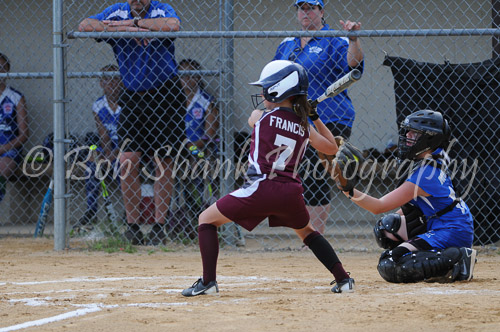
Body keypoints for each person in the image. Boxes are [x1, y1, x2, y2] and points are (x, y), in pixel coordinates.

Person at [182, 60, 355, 297]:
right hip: (291, 193)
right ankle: (344, 279)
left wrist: (294, 112)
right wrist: (314, 117)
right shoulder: (305, 126)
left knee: (206, 220)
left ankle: (208, 282)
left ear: (279, 90)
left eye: (267, 88)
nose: (263, 94)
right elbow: (332, 148)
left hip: (261, 187)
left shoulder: (262, 116)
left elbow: (255, 119)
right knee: (307, 232)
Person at [79, 0, 186, 245]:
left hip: (165, 94)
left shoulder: (160, 9)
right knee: (127, 159)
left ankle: (160, 225)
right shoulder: (117, 11)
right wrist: (126, 30)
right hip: (133, 93)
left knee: (163, 160)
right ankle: (133, 225)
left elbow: (173, 25)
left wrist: (134, 24)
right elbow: (85, 25)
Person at [341, 109, 476, 283]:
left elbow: (378, 206)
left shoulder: (424, 175)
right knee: (386, 228)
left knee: (390, 263)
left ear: (429, 138)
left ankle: (457, 257)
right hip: (449, 223)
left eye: (415, 133)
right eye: (408, 131)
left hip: (451, 230)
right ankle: (434, 256)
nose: (408, 136)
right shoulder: (432, 158)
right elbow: (411, 208)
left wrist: (347, 189)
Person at [273, 0, 364, 234]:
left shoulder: (333, 39)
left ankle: (315, 236)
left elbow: (353, 65)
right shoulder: (288, 43)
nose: (305, 12)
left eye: (311, 8)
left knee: (316, 175)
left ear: (321, 12)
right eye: (301, 8)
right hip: (294, 119)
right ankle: (308, 234)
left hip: (329, 118)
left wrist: (353, 39)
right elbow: (274, 78)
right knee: (296, 175)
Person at [73, 64, 123, 233]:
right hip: (110, 148)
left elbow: (131, 134)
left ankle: (128, 214)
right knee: (92, 165)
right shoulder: (98, 105)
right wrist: (107, 154)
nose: (112, 83)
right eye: (107, 79)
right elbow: (103, 134)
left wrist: (115, 154)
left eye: (116, 78)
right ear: (101, 83)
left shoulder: (129, 102)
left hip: (129, 147)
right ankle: (91, 210)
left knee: (122, 166)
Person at [0, 52, 29, 203]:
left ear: (7, 71)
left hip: (8, 149)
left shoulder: (16, 97)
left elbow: (24, 134)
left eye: (1, 68)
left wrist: (3, 148)